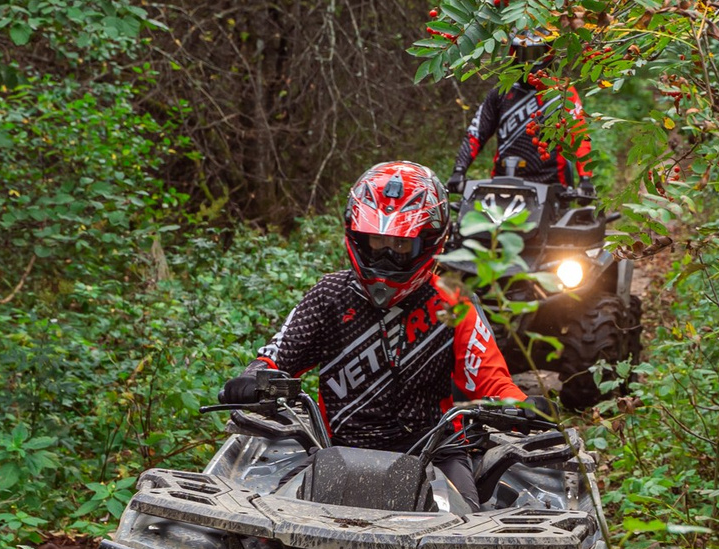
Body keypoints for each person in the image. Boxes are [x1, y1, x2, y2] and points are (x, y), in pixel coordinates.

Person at [222, 160, 524, 454]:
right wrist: (252, 379)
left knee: (466, 505)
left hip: (435, 452)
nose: (386, 258)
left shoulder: (453, 303)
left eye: (401, 246)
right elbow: (277, 359)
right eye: (376, 242)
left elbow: (491, 381)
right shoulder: (330, 296)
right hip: (335, 453)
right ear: (357, 237)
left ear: (431, 241)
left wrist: (521, 407)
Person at [449, 33, 593, 191]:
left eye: (536, 54)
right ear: (513, 54)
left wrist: (585, 177)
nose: (529, 62)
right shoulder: (501, 92)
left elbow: (579, 134)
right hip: (502, 184)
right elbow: (476, 133)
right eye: (524, 54)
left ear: (548, 53)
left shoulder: (564, 92)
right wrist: (459, 170)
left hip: (552, 187)